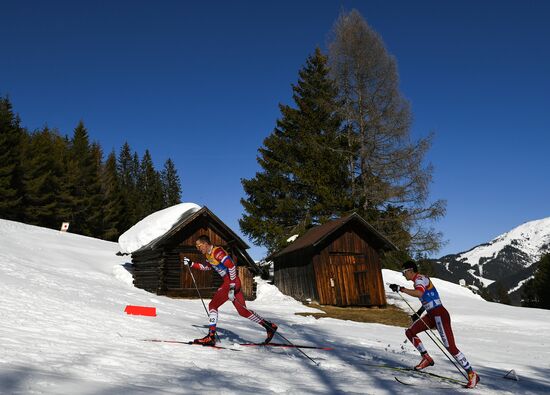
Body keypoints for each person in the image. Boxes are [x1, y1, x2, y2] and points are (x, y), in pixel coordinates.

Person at [389, 260, 480, 389]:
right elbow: (426, 297)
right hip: (431, 314)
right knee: (410, 331)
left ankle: (472, 374)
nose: (403, 275)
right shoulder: (420, 279)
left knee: (451, 347)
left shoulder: (419, 280)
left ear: (410, 270)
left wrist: (401, 289)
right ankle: (426, 358)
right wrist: (420, 312)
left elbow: (419, 293)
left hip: (439, 315)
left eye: (403, 272)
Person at [181, 235, 278, 346]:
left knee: (213, 306)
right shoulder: (208, 254)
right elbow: (207, 267)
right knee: (243, 311)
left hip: (231, 282)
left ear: (205, 244)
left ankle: (211, 336)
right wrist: (191, 264)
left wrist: (231, 286)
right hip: (233, 282)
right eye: (197, 247)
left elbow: (231, 266)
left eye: (199, 246)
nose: (198, 249)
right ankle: (269, 326)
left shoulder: (217, 252)